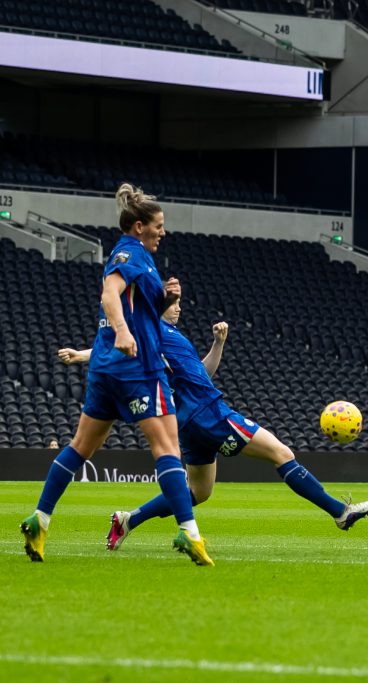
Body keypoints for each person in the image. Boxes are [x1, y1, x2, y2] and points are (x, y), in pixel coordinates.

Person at [57, 292, 368, 550]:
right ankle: (340, 512)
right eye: (174, 303)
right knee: (281, 453)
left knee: (199, 492)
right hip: (208, 414)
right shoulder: (150, 330)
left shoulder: (171, 335)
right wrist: (82, 355)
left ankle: (128, 520)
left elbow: (202, 373)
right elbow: (116, 346)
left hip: (190, 421)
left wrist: (218, 344)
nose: (178, 308)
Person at [20, 184, 211, 565]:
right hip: (137, 368)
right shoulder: (130, 253)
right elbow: (110, 292)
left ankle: (39, 520)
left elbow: (140, 311)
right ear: (139, 226)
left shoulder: (141, 258)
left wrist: (167, 298)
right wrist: (123, 332)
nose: (163, 231)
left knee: (80, 447)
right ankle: (190, 533)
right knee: (168, 449)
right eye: (158, 225)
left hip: (106, 370)